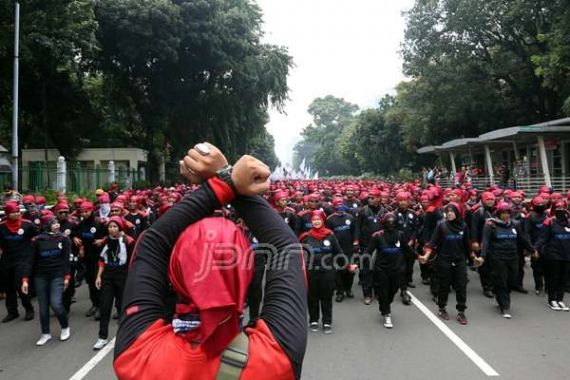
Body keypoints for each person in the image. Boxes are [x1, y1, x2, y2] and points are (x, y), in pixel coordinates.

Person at [113, 143, 307, 380]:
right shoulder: (276, 359)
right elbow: (286, 246)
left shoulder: (137, 357)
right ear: (246, 272)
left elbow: (152, 243)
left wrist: (224, 183)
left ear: (174, 274)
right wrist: (225, 175)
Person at [476, 202, 536, 318]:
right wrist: (482, 256)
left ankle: (499, 294)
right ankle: (505, 306)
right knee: (502, 281)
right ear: (498, 213)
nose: (506, 216)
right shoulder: (490, 224)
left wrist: (532, 250)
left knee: (511, 281)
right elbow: (486, 241)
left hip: (513, 257)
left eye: (508, 213)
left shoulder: (515, 224)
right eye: (503, 213)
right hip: (497, 257)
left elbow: (522, 239)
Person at [21, 212, 71, 345]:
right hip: (40, 277)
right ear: (47, 225)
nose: (57, 225)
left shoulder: (64, 239)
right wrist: (25, 279)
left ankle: (65, 326)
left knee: (56, 304)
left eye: (57, 223)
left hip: (57, 275)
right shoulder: (37, 240)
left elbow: (66, 261)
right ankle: (45, 333)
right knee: (43, 307)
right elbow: (29, 261)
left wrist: (67, 277)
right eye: (53, 223)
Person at [421, 202, 470, 325]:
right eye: (447, 211)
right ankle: (442, 308)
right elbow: (432, 243)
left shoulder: (463, 226)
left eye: (452, 211)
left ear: (458, 213)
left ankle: (461, 311)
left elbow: (467, 246)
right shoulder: (441, 226)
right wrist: (426, 256)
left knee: (461, 286)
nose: (449, 214)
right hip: (444, 260)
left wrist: (474, 258)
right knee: (444, 286)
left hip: (460, 260)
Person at [93, 217, 135, 350]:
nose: (112, 229)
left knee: (123, 308)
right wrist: (99, 276)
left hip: (123, 277)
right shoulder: (106, 240)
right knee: (105, 307)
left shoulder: (128, 241)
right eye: (110, 226)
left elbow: (133, 261)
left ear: (120, 227)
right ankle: (102, 337)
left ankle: (127, 336)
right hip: (108, 277)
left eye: (115, 226)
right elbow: (101, 259)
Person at [302, 210, 343, 334]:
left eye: (318, 219)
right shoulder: (305, 237)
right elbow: (300, 255)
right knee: (312, 297)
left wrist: (346, 265)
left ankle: (327, 321)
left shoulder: (330, 235)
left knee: (326, 297)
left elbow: (338, 252)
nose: (316, 222)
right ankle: (314, 320)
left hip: (327, 272)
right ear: (311, 222)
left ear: (323, 220)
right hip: (311, 272)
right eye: (314, 220)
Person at [0, 202, 37, 322]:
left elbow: (36, 238)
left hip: (23, 259)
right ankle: (12, 312)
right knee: (8, 286)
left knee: (20, 284)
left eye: (17, 211)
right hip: (7, 259)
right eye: (13, 212)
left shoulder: (28, 225)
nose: (16, 214)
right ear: (7, 214)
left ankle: (29, 309)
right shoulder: (2, 226)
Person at [535, 200, 570, 311]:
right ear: (554, 209)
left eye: (562, 208)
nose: (560, 210)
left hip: (567, 254)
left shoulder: (568, 222)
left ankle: (560, 299)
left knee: (563, 278)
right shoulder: (549, 222)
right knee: (553, 278)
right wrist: (534, 249)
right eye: (558, 208)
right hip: (553, 254)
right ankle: (552, 300)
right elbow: (542, 238)